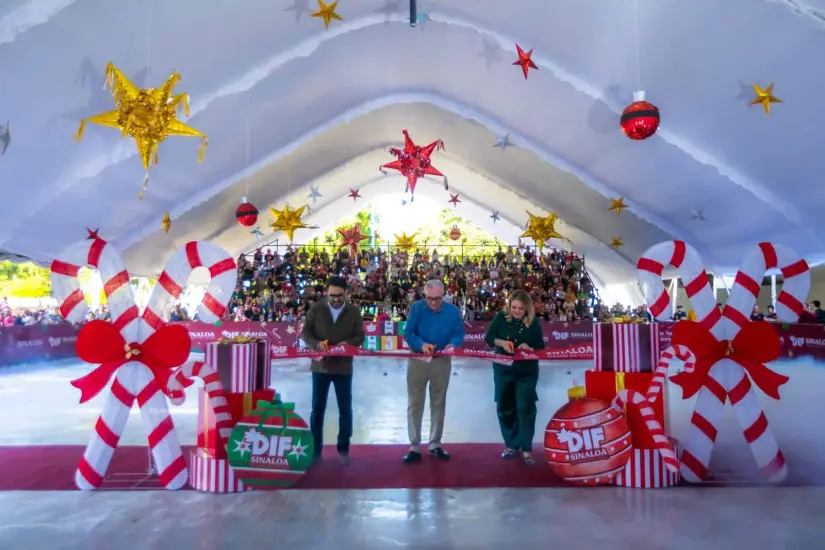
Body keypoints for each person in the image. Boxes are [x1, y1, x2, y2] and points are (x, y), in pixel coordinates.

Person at [301, 276, 365, 465]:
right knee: (317, 410)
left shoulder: (353, 312)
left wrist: (348, 344)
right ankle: (315, 451)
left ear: (346, 293)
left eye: (339, 295)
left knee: (345, 410)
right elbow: (306, 332)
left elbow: (360, 336)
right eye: (332, 295)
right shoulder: (317, 308)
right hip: (320, 366)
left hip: (343, 367)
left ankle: (343, 449)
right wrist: (316, 344)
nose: (336, 299)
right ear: (326, 293)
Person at [402, 279, 465, 463]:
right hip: (418, 360)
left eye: (437, 299)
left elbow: (458, 335)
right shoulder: (416, 308)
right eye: (430, 299)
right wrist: (421, 345)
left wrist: (453, 345)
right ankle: (414, 446)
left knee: (438, 402)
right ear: (424, 295)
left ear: (443, 296)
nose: (433, 303)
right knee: (415, 402)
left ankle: (435, 443)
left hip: (442, 361)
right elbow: (409, 333)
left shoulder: (452, 312)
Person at [484, 290, 545, 465]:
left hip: (526, 371)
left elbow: (540, 346)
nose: (516, 311)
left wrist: (529, 348)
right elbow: (488, 338)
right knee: (505, 406)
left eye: (520, 308)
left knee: (525, 407)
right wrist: (501, 342)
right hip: (503, 370)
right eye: (514, 307)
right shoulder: (500, 317)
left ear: (527, 308)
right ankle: (511, 445)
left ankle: (526, 449)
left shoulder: (534, 323)